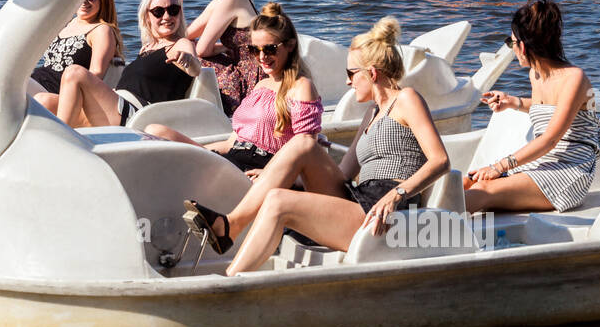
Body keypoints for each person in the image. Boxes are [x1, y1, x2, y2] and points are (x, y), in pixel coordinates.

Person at [183, 17, 449, 275]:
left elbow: (440, 161)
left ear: (372, 73)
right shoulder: (371, 112)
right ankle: (230, 230)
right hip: (360, 197)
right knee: (303, 147)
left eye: (351, 73)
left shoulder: (406, 99)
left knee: (278, 201)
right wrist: (276, 176)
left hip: (388, 210)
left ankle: (229, 280)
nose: (347, 81)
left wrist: (398, 194)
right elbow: (343, 175)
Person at [147, 2, 322, 175]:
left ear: (290, 45)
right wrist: (200, 151)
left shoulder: (301, 86)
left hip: (258, 167)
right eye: (255, 49)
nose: (262, 57)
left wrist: (270, 173)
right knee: (156, 132)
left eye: (270, 49)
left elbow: (305, 145)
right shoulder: (261, 86)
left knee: (177, 165)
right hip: (233, 158)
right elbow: (232, 142)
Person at [466, 0, 600, 213]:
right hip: (542, 163)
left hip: (568, 171)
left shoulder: (574, 78)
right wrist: (514, 102)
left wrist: (499, 166)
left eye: (511, 42)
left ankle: (425, 235)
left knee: (483, 190)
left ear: (523, 46)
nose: (511, 48)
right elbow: (552, 109)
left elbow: (550, 139)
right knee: (467, 182)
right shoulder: (536, 75)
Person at [55, 0, 199, 128]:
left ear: (180, 14)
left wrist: (188, 60)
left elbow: (195, 69)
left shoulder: (180, 44)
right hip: (119, 106)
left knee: (74, 73)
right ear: (147, 17)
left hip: (137, 115)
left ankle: (60, 140)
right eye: (158, 11)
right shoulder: (146, 49)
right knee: (46, 100)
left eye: (173, 10)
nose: (167, 16)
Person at [169, 0, 262, 116]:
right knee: (181, 47)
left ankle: (178, 110)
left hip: (252, 81)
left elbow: (202, 50)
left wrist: (220, 49)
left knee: (190, 54)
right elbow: (182, 34)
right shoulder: (221, 0)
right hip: (244, 73)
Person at [30, 0, 123, 111]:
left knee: (6, 86)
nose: (84, 0)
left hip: (56, 93)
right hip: (38, 83)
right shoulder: (68, 23)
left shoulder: (101, 30)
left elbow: (94, 77)